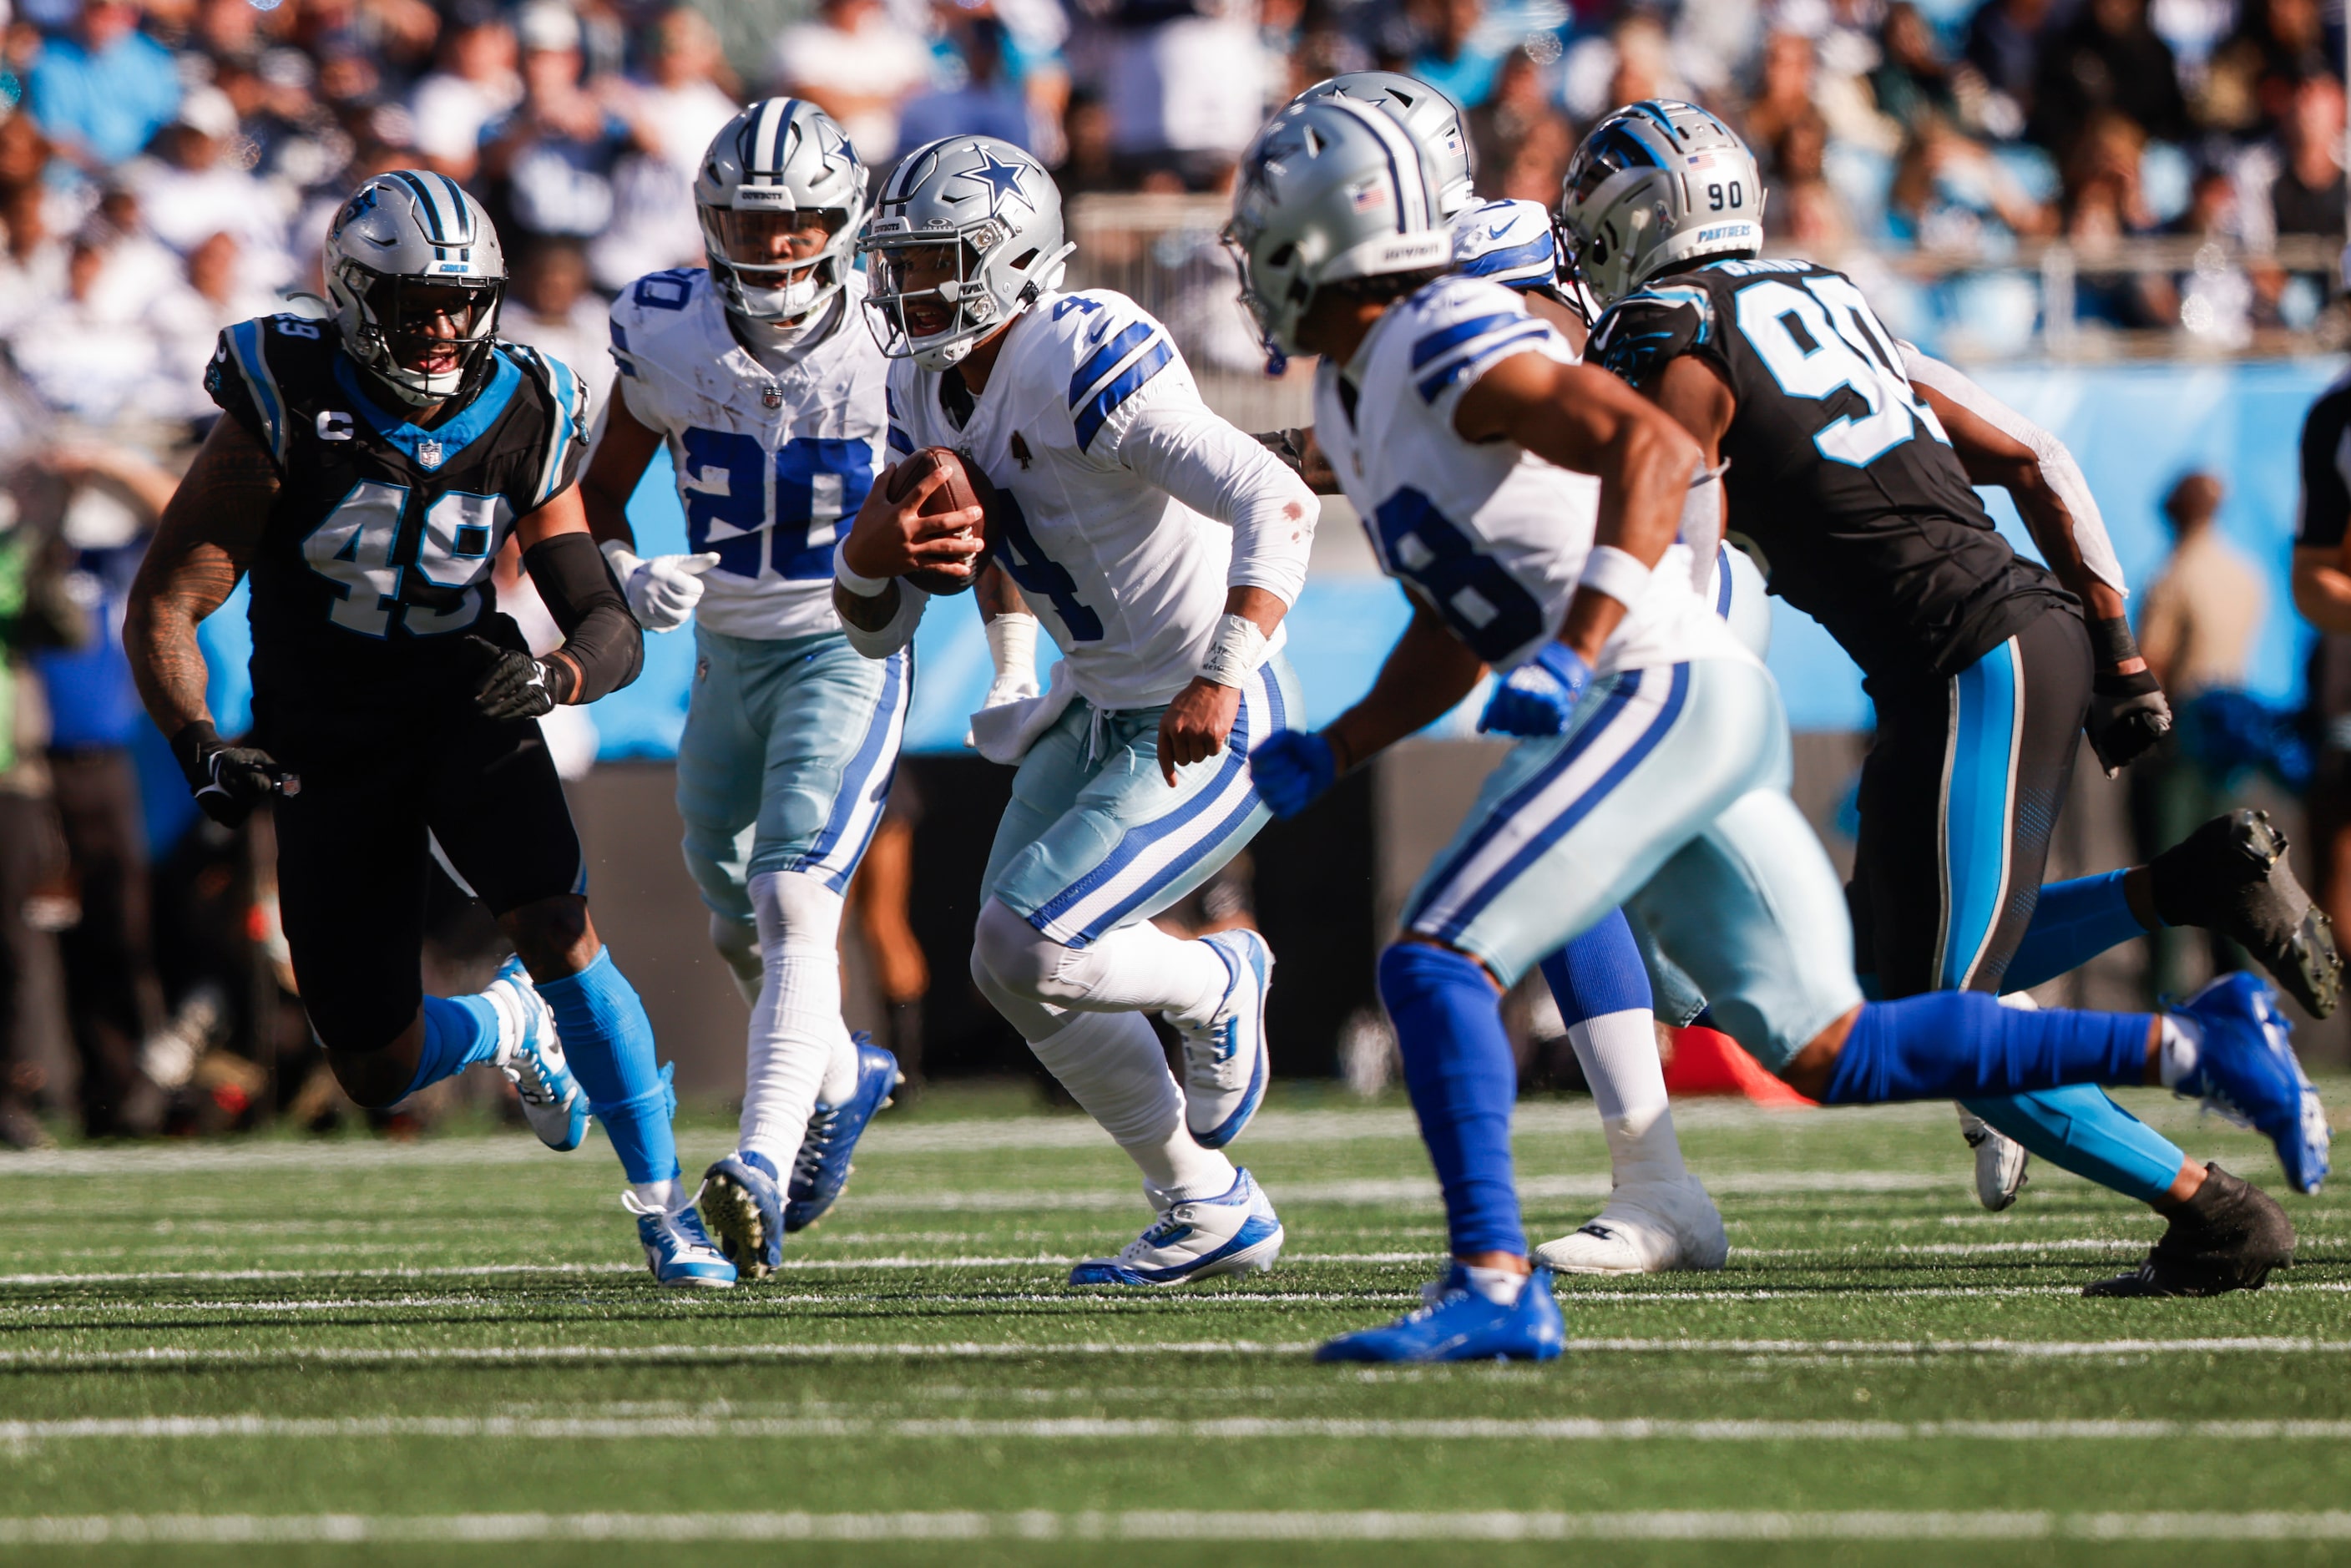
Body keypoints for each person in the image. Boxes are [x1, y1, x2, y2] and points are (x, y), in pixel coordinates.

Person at [1226, 96, 2326, 1363]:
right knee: (1838, 1032)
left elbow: (1650, 463)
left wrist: (1586, 643)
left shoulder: (1571, 334)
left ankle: (1499, 1275)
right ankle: (2194, 1038)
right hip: (1907, 657)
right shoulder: (1802, 301)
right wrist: (1352, 737)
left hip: (1824, 661)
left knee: (1442, 957)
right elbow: (2033, 454)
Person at [1550, 100, 2333, 1294]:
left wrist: (1628, 659)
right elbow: (2033, 456)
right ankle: (2190, 882)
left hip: (1975, 659)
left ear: (1637, 219)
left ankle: (2217, 1210)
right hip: (1987, 651)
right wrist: (2117, 651)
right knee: (1875, 984)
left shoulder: (1673, 329)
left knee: (1946, 1031)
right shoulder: (1824, 296)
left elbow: (1681, 517)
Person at [122, 171, 733, 1288]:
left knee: (557, 920)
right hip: (326, 733)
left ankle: (665, 1210)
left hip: (468, 703)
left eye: (462, 300)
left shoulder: (529, 400)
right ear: (357, 296)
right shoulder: (283, 393)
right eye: (418, 303)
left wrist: (556, 676)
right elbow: (168, 599)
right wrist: (196, 737)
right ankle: (506, 1028)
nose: (444, 327)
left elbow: (602, 615)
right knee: (370, 1059)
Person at [837, 134, 1318, 1287]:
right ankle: (1203, 1202)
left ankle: (1218, 979)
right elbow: (943, 567)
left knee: (1049, 941)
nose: (910, 286)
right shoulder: (919, 382)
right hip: (1098, 699)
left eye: (938, 260)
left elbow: (1277, 495)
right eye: (901, 261)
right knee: (1007, 958)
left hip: (1217, 699)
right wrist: (1003, 661)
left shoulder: (1084, 352)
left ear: (1013, 260)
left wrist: (1223, 667)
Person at [580, 99, 905, 1282]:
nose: (776, 246)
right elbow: (596, 490)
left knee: (792, 895)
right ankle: (840, 1073)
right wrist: (625, 569)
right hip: (724, 648)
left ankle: (761, 1161)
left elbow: (979, 494)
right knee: (731, 906)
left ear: (844, 220)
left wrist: (1015, 654)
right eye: (752, 222)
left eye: (802, 222)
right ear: (711, 220)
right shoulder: (666, 330)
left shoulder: (894, 330)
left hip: (848, 642)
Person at [2136, 473, 2268, 996]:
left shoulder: (2173, 578)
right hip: (2232, 729)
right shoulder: (2245, 574)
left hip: (2182, 734)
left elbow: (2154, 666)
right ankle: (2244, 997)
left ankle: (2163, 1006)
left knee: (2166, 873)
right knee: (2231, 871)